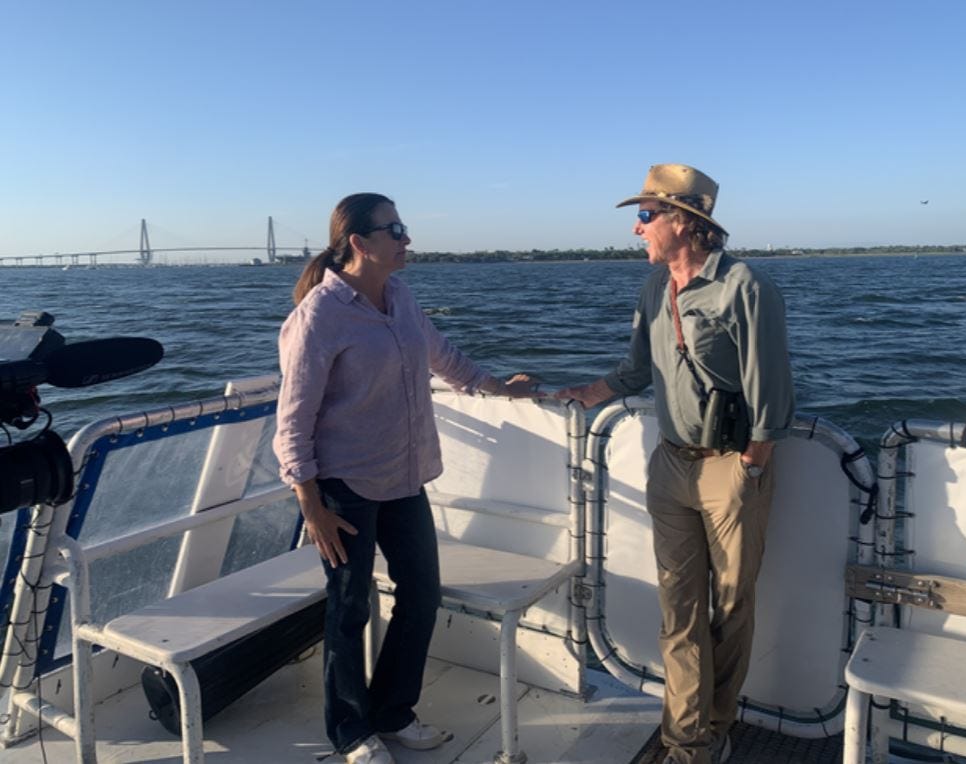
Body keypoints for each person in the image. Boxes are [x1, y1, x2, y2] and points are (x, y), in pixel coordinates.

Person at [274, 193, 537, 764]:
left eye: (404, 226)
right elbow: (293, 418)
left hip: (404, 476)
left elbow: (446, 359)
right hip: (343, 486)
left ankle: (393, 712)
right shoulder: (319, 315)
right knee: (349, 607)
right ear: (359, 243)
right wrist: (310, 504)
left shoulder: (401, 297)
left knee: (421, 595)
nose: (406, 238)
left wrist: (501, 388)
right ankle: (350, 730)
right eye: (394, 229)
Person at [556, 165, 795, 764]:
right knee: (679, 611)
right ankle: (686, 743)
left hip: (731, 468)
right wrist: (586, 392)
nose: (637, 229)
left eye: (646, 216)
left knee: (732, 605)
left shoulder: (744, 286)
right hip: (670, 465)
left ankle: (717, 722)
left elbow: (772, 388)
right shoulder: (652, 289)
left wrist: (753, 464)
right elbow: (637, 370)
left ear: (684, 222)